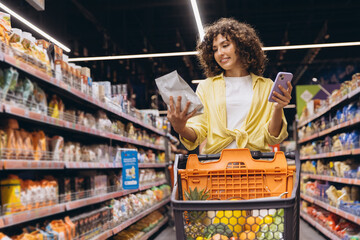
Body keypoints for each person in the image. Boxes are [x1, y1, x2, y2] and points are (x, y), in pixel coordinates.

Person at [167, 18, 292, 154]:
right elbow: (198, 132)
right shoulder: (206, 87)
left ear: (242, 46)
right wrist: (180, 128)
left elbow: (272, 137)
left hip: (256, 166)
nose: (219, 53)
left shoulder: (266, 86)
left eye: (225, 45)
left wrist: (278, 108)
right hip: (217, 166)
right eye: (215, 49)